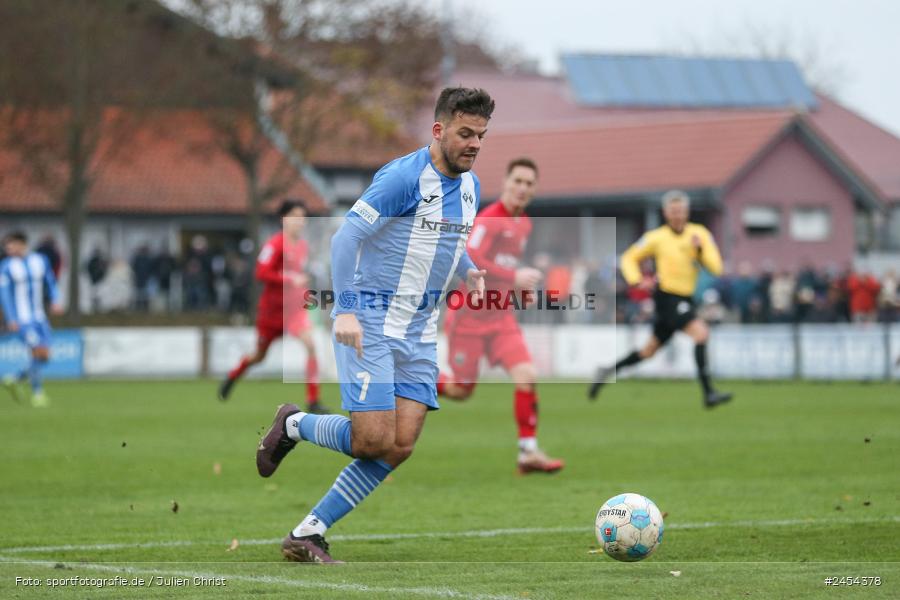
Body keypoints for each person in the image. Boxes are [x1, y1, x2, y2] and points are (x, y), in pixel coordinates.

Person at [254, 87, 492, 563]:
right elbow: (345, 239)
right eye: (466, 133)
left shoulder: (472, 187)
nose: (474, 144)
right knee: (371, 440)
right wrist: (344, 309)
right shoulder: (402, 177)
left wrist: (468, 270)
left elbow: (448, 238)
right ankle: (294, 424)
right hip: (372, 318)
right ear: (439, 129)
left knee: (399, 445)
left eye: (481, 136)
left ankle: (308, 532)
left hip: (420, 329)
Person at [437, 157, 563, 475]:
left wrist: (519, 290)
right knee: (461, 391)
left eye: (529, 183)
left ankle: (528, 452)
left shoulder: (524, 223)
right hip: (468, 318)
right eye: (517, 181)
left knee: (527, 375)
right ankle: (413, 378)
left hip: (500, 317)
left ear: (535, 189)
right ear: (506, 182)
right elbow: (470, 256)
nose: (522, 188)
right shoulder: (490, 219)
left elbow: (503, 267)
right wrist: (514, 277)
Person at [587, 190, 732, 408]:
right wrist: (637, 280)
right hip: (667, 297)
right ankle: (709, 393)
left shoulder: (699, 234)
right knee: (701, 333)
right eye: (673, 211)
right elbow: (628, 258)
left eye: (681, 211)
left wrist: (700, 250)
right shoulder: (656, 237)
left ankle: (606, 371)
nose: (677, 215)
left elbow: (717, 268)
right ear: (666, 213)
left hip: (686, 298)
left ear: (687, 212)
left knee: (648, 351)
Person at [219, 200, 326, 414]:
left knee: (311, 345)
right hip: (271, 313)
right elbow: (261, 272)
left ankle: (313, 401)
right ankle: (233, 375)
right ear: (283, 219)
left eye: (302, 217)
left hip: (293, 311)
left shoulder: (302, 247)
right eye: (295, 216)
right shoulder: (274, 244)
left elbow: (299, 275)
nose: (300, 221)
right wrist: (289, 278)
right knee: (259, 356)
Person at [0, 231, 63, 407]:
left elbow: (50, 281)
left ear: (21, 244)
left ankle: (15, 378)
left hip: (40, 317)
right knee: (38, 351)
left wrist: (56, 300)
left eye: (10, 245)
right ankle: (37, 394)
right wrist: (11, 318)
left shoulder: (40, 260)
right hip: (23, 320)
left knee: (45, 356)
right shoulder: (6, 266)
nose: (7, 249)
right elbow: (4, 295)